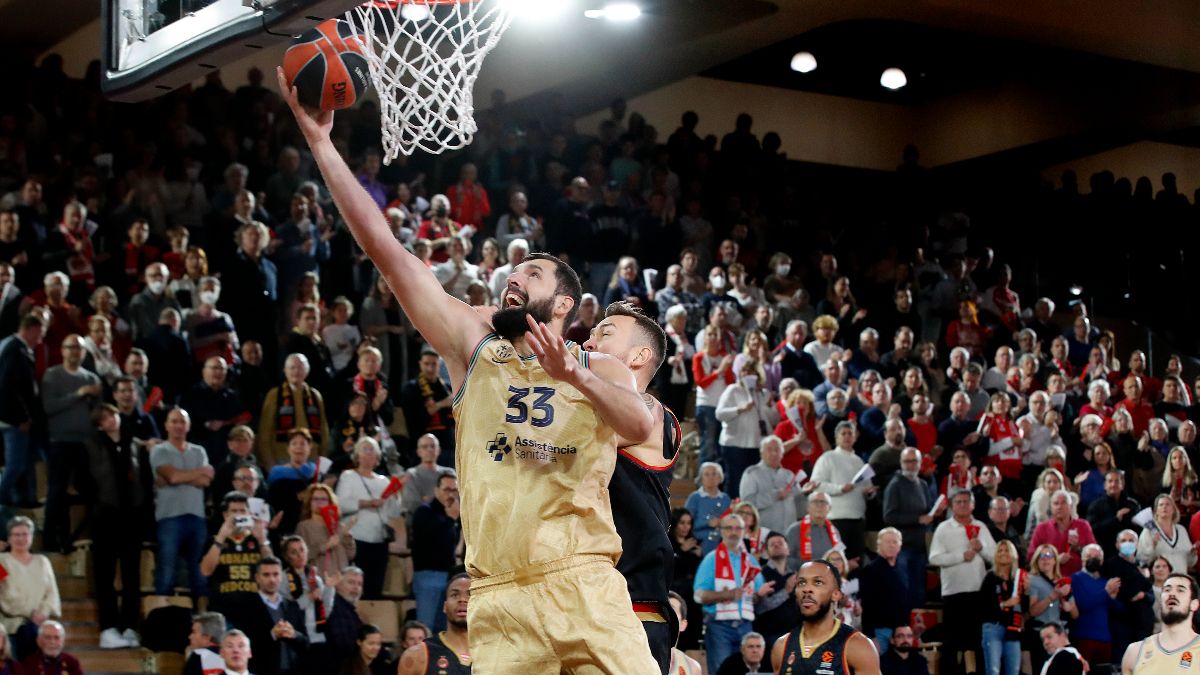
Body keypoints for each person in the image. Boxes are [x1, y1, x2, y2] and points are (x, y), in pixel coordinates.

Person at [281, 71, 659, 673]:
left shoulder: (601, 363)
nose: (514, 279)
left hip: (584, 583)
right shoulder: (471, 347)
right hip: (498, 594)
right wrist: (323, 145)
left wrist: (578, 377)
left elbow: (641, 426)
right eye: (512, 274)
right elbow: (386, 249)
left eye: (532, 275)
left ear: (563, 306)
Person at [581, 301, 682, 672]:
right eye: (589, 335)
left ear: (640, 355)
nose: (589, 344)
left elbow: (574, 439)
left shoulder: (650, 412)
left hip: (632, 603)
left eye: (605, 334)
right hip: (581, 596)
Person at [86, 405, 145, 650]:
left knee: (132, 575)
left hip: (132, 516)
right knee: (105, 574)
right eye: (105, 418)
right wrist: (97, 504)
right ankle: (108, 627)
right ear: (99, 424)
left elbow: (145, 478)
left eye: (113, 415)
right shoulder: (91, 444)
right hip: (105, 515)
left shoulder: (134, 444)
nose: (111, 420)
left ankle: (131, 626)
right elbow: (85, 478)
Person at [41, 334, 102, 553]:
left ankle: (83, 538)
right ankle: (51, 540)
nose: (75, 352)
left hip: (86, 444)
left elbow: (98, 412)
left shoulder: (92, 378)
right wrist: (79, 394)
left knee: (93, 493)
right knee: (56, 492)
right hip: (61, 441)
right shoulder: (52, 375)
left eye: (79, 348)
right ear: (63, 350)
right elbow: (49, 407)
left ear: (85, 353)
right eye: (71, 347)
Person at [769, 560, 882, 675]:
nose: (807, 589)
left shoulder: (858, 646)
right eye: (801, 583)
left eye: (818, 582)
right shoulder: (781, 646)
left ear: (836, 594)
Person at [929, 489, 996, 675]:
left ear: (973, 504)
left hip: (978, 591)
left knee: (977, 640)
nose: (963, 505)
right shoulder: (943, 528)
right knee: (952, 641)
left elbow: (995, 557)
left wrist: (981, 548)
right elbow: (934, 558)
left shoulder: (981, 527)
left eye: (967, 501)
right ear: (952, 505)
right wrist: (961, 556)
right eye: (958, 502)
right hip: (954, 592)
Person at [695, 514, 771, 674]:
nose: (734, 532)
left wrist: (760, 594)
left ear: (744, 531)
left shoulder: (751, 560)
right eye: (729, 528)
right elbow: (698, 595)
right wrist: (727, 595)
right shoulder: (712, 559)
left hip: (746, 626)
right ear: (721, 531)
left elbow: (754, 597)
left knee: (748, 671)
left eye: (738, 528)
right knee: (722, 671)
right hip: (719, 627)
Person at [151, 408, 213, 599]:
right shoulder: (159, 450)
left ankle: (201, 618)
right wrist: (197, 472)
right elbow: (173, 476)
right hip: (169, 517)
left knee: (199, 573)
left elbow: (206, 480)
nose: (178, 425)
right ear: (166, 425)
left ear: (188, 426)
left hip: (197, 517)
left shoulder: (199, 450)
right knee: (167, 571)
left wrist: (178, 477)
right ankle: (161, 617)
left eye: (182, 422)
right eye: (174, 421)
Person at [334, 438, 402, 600]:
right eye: (365, 449)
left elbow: (393, 513)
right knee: (355, 584)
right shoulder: (348, 476)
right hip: (356, 540)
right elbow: (340, 504)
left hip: (379, 540)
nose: (370, 453)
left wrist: (396, 498)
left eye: (373, 450)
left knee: (375, 587)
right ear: (357, 454)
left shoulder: (383, 481)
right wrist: (366, 503)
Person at [226, 557, 308, 675]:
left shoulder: (292, 606)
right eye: (266, 575)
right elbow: (242, 644)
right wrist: (272, 635)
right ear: (257, 578)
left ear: (281, 577)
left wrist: (294, 634)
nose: (272, 579)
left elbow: (306, 643)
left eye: (276, 574)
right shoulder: (244, 606)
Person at [883, 447, 942, 610]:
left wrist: (934, 512)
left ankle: (915, 631)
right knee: (904, 590)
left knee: (919, 591)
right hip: (903, 548)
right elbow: (889, 517)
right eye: (907, 461)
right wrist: (917, 519)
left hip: (920, 546)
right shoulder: (894, 486)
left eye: (914, 461)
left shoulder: (922, 484)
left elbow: (926, 511)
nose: (911, 465)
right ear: (901, 463)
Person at [811, 421, 876, 561]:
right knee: (836, 561)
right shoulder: (827, 458)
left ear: (855, 437)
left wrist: (869, 493)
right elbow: (816, 485)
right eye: (843, 434)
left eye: (850, 434)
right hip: (836, 518)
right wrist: (840, 488)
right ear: (836, 438)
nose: (847, 437)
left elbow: (867, 488)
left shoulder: (859, 461)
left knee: (856, 561)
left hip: (857, 519)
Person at [0, 314, 46, 508]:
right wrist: (22, 417)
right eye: (39, 334)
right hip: (13, 419)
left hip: (13, 417)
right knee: (15, 464)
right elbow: (7, 386)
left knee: (26, 460)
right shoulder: (15, 350)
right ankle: (2, 500)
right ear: (32, 329)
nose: (39, 340)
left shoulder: (10, 346)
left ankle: (23, 499)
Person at [201, 491, 273, 614]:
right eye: (234, 511)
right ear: (225, 515)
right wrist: (221, 537)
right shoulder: (214, 540)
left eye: (242, 511)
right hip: (223, 606)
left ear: (249, 514)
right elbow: (205, 571)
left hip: (254, 606)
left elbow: (272, 568)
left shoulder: (258, 540)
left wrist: (262, 539)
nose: (238, 515)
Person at [0, 517, 60, 661]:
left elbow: (52, 594)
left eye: (25, 534)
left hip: (37, 624)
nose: (21, 538)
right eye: (16, 535)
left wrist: (43, 612)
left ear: (31, 537)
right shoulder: (2, 561)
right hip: (9, 622)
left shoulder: (42, 562)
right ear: (9, 538)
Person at [257, 354, 330, 468]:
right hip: (282, 458)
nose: (296, 371)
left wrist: (323, 459)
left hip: (312, 458)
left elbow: (323, 429)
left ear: (307, 371)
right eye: (292, 368)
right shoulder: (275, 394)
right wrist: (270, 463)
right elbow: (265, 431)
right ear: (285, 371)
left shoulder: (315, 395)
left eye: (300, 367)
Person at [1122, 572, 1200, 674]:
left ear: (1194, 604)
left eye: (1180, 590)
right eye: (1167, 590)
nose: (1172, 593)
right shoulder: (1135, 652)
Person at [411, 472, 460, 633]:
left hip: (449, 576)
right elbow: (433, 539)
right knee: (426, 626)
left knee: (444, 627)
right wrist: (451, 520)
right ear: (436, 490)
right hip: (428, 575)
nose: (450, 494)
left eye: (454, 490)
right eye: (446, 489)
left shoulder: (455, 513)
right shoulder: (424, 512)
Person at [396, 574, 471, 675]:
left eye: (470, 594)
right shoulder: (417, 656)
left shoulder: (496, 653)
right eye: (455, 595)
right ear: (445, 606)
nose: (462, 599)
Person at [399, 347, 456, 467]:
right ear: (420, 364)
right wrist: (441, 404)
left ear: (439, 365)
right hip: (422, 445)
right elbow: (413, 418)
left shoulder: (446, 387)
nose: (430, 368)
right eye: (426, 364)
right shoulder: (411, 388)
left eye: (434, 364)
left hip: (447, 444)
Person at [858, 528, 910, 652]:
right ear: (879, 545)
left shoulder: (902, 568)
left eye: (894, 542)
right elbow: (866, 605)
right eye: (887, 542)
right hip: (879, 632)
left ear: (900, 545)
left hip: (899, 631)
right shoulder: (870, 570)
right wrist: (871, 636)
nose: (891, 545)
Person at [979, 540, 1026, 675]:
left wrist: (1027, 591)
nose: (1003, 553)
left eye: (1006, 550)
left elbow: (1024, 607)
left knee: (1014, 670)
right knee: (993, 670)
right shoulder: (990, 577)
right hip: (993, 626)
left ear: (1013, 554)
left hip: (1013, 628)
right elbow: (982, 605)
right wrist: (1004, 604)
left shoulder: (1018, 578)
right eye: (1000, 550)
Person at [1069, 544, 1120, 666]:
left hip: (1105, 637)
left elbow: (1117, 610)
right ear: (1082, 559)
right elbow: (1083, 604)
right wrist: (1106, 592)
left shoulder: (1106, 581)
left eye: (1097, 556)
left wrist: (1113, 598)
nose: (1093, 559)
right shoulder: (1076, 578)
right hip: (1084, 636)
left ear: (1102, 560)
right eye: (1089, 556)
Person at [1030, 489, 1097, 577]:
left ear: (1070, 506)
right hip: (1050, 581)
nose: (1059, 507)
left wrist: (1077, 548)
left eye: (1063, 503)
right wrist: (1055, 560)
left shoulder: (1083, 525)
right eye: (1056, 503)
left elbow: (1095, 555)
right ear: (1051, 507)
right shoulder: (1041, 528)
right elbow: (1032, 557)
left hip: (1080, 579)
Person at [740, 436, 798, 535]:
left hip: (789, 533)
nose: (774, 453)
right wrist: (775, 495)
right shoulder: (752, 473)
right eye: (769, 450)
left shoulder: (789, 474)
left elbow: (798, 502)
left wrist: (806, 493)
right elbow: (748, 504)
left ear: (782, 454)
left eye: (777, 450)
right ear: (761, 453)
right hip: (763, 534)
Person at [399, 434, 455, 526]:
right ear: (418, 452)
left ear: (439, 450)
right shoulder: (412, 474)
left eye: (433, 446)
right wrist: (443, 498)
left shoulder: (449, 472)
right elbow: (414, 505)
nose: (429, 449)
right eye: (425, 447)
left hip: (450, 520)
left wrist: (428, 499)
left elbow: (457, 499)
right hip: (424, 524)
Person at [754, 533, 799, 648]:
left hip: (795, 633)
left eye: (780, 543)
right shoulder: (760, 574)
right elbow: (760, 608)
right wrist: (786, 590)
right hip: (770, 635)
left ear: (788, 549)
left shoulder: (795, 575)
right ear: (767, 552)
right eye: (772, 544)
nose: (776, 546)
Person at [1136, 494, 1196, 575]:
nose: (1164, 507)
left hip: (1181, 579)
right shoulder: (1148, 531)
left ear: (1174, 509)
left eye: (1168, 504)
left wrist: (1193, 553)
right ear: (1156, 510)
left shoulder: (1181, 530)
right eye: (1161, 505)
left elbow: (1190, 563)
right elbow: (1141, 560)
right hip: (1161, 581)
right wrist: (1152, 545)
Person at [1087, 470, 1141, 558]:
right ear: (1105, 485)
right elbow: (1093, 529)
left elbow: (1139, 529)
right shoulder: (1096, 506)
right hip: (1107, 553)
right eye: (1110, 481)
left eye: (1117, 481)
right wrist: (1115, 519)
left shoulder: (1132, 504)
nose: (1113, 484)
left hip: (1131, 553)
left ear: (1122, 484)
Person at [784, 491, 842, 570]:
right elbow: (785, 559)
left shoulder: (835, 532)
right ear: (808, 507)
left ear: (829, 508)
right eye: (815, 502)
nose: (819, 505)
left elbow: (839, 557)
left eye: (823, 502)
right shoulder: (794, 530)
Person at [685, 462, 732, 557]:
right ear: (701, 478)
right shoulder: (695, 497)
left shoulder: (725, 498)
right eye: (707, 474)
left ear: (720, 477)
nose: (711, 477)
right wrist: (707, 523)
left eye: (714, 474)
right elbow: (686, 522)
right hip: (700, 537)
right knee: (712, 538)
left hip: (723, 534)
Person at [667, 592, 704, 675]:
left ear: (683, 625)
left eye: (671, 610)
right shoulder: (636, 660)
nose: (665, 614)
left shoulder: (692, 668)